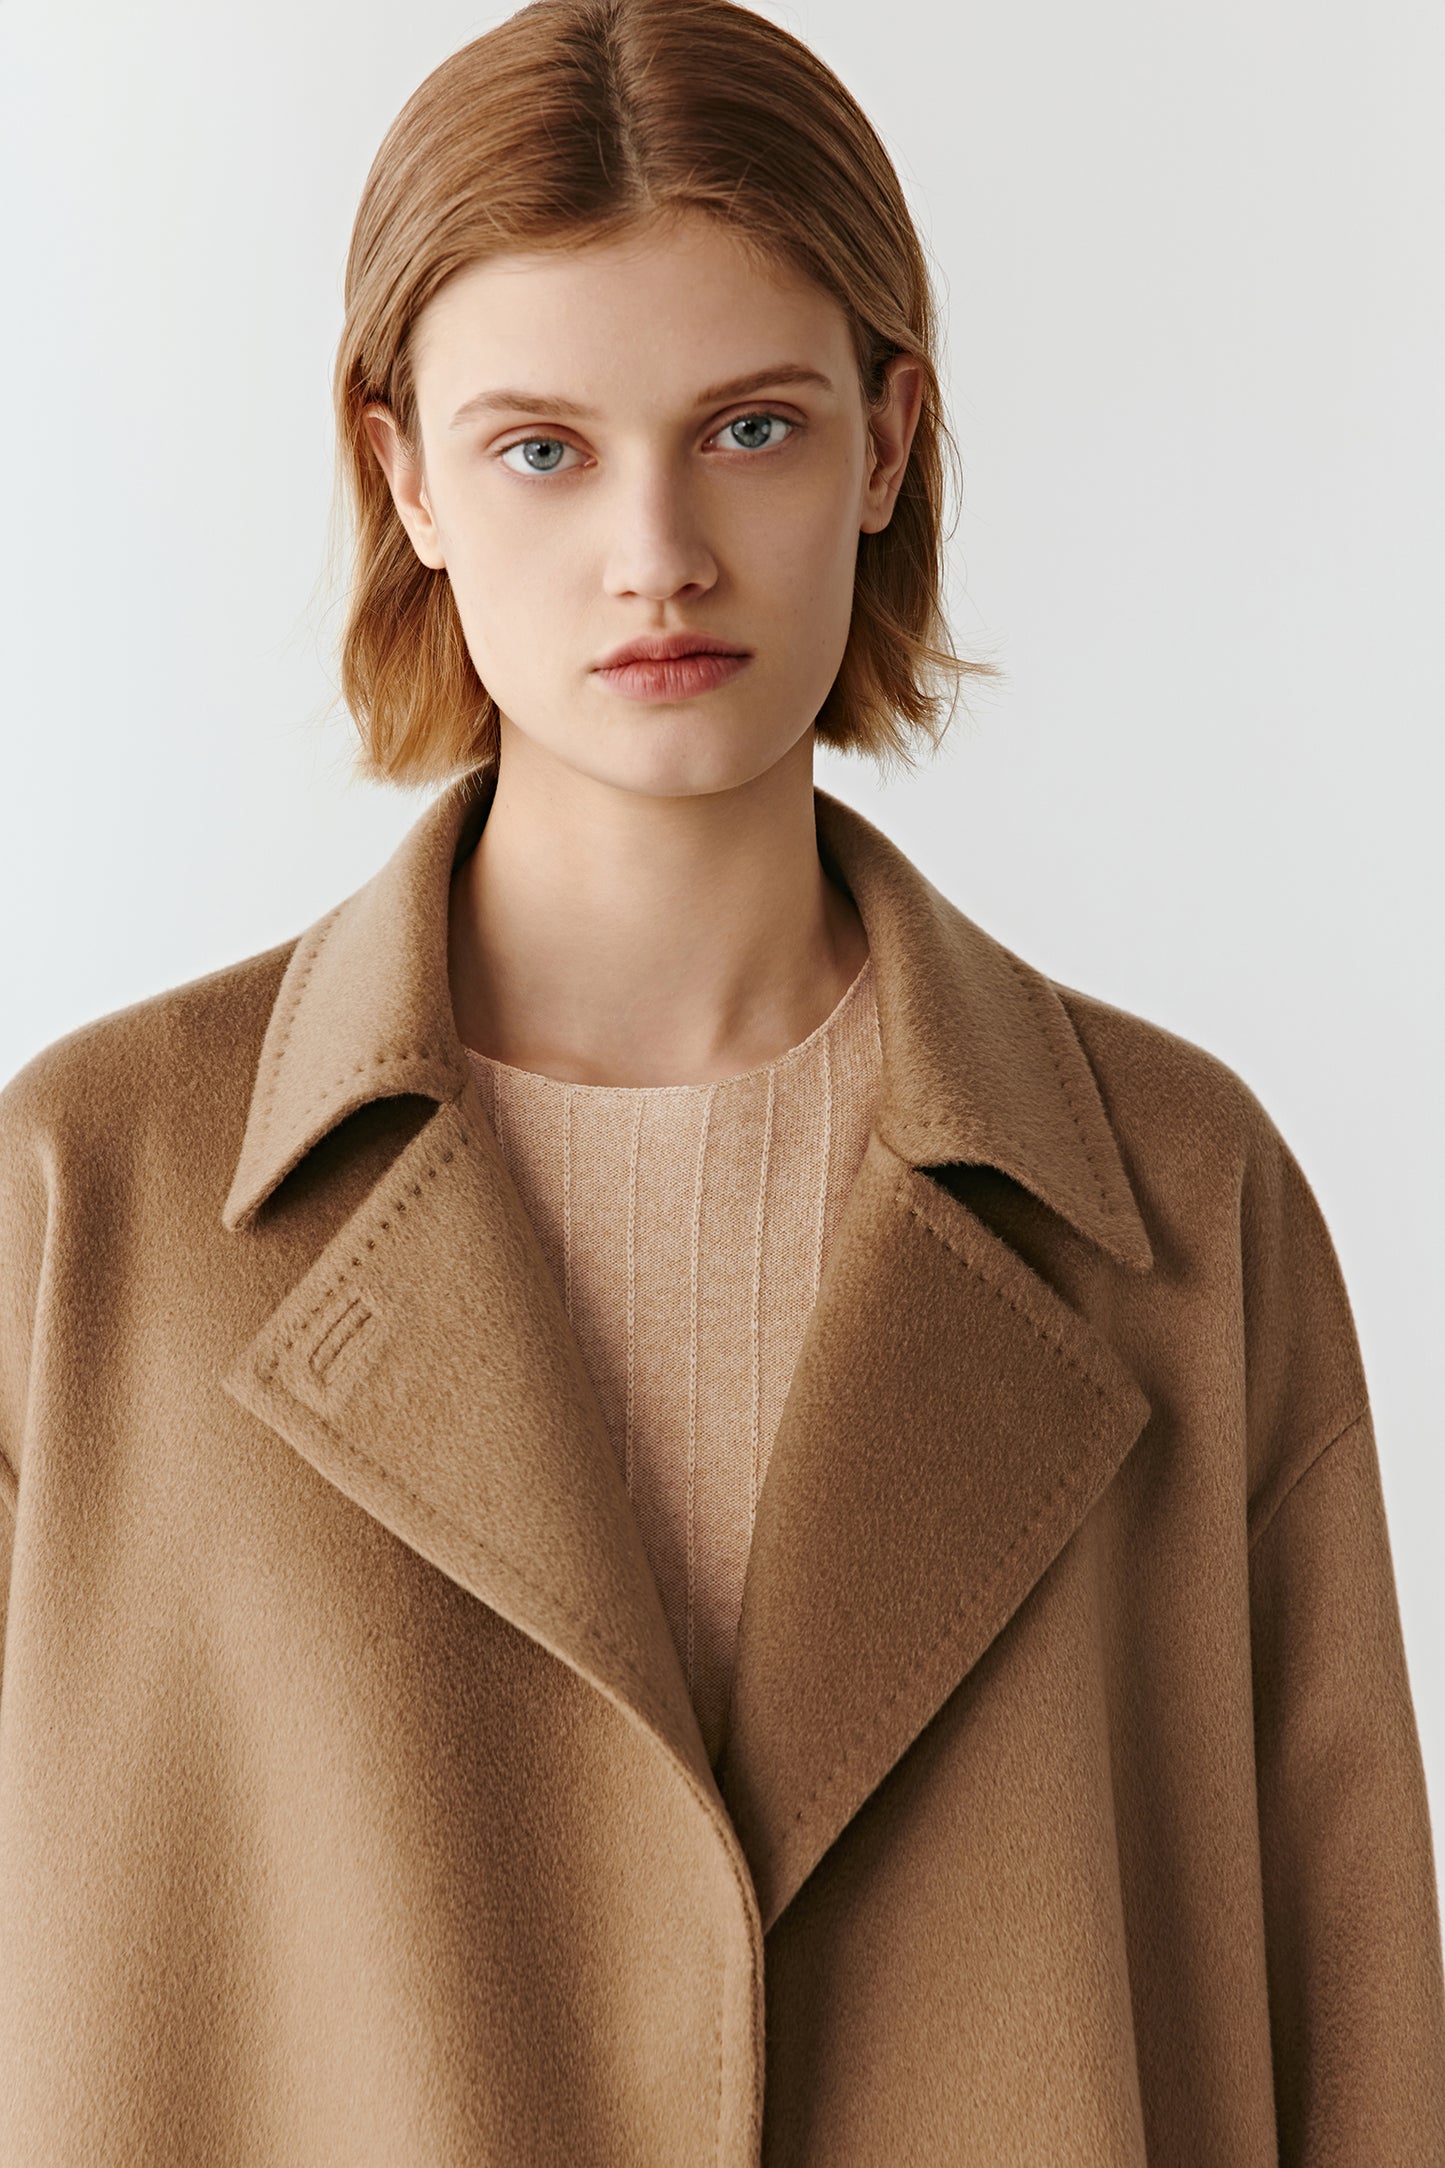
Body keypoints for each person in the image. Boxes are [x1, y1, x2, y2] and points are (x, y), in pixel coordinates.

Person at [0, 2, 1441, 2161]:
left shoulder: (1173, 1196)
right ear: (400, 469)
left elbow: (1357, 2042)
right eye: (541, 447)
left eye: (748, 429)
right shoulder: (86, 1204)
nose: (654, 548)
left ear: (888, 436)